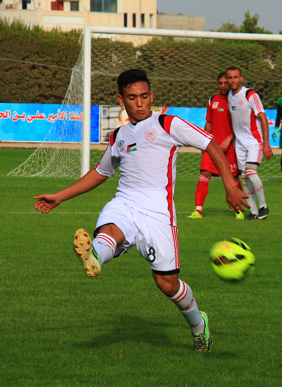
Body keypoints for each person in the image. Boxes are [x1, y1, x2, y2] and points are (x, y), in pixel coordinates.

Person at [33, 69, 248, 351]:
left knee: (167, 285)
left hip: (159, 213)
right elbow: (100, 172)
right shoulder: (118, 136)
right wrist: (59, 196)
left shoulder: (167, 123)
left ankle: (198, 325)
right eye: (132, 98)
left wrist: (230, 186)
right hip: (125, 202)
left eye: (144, 96)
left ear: (152, 96)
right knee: (111, 228)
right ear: (121, 99)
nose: (140, 103)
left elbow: (209, 144)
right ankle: (95, 253)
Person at [190, 72, 245, 219]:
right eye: (220, 83)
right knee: (204, 175)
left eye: (225, 83)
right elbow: (208, 122)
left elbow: (242, 124)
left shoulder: (237, 101)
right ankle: (198, 211)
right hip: (212, 145)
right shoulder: (213, 99)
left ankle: (239, 212)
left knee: (233, 179)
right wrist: (204, 142)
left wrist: (229, 138)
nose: (222, 86)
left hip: (230, 147)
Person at [226, 66, 273, 220]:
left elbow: (263, 118)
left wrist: (266, 144)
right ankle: (253, 212)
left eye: (235, 77)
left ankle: (264, 207)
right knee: (245, 177)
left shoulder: (250, 95)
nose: (233, 80)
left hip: (254, 141)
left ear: (241, 78)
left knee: (251, 172)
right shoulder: (229, 97)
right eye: (230, 78)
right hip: (239, 143)